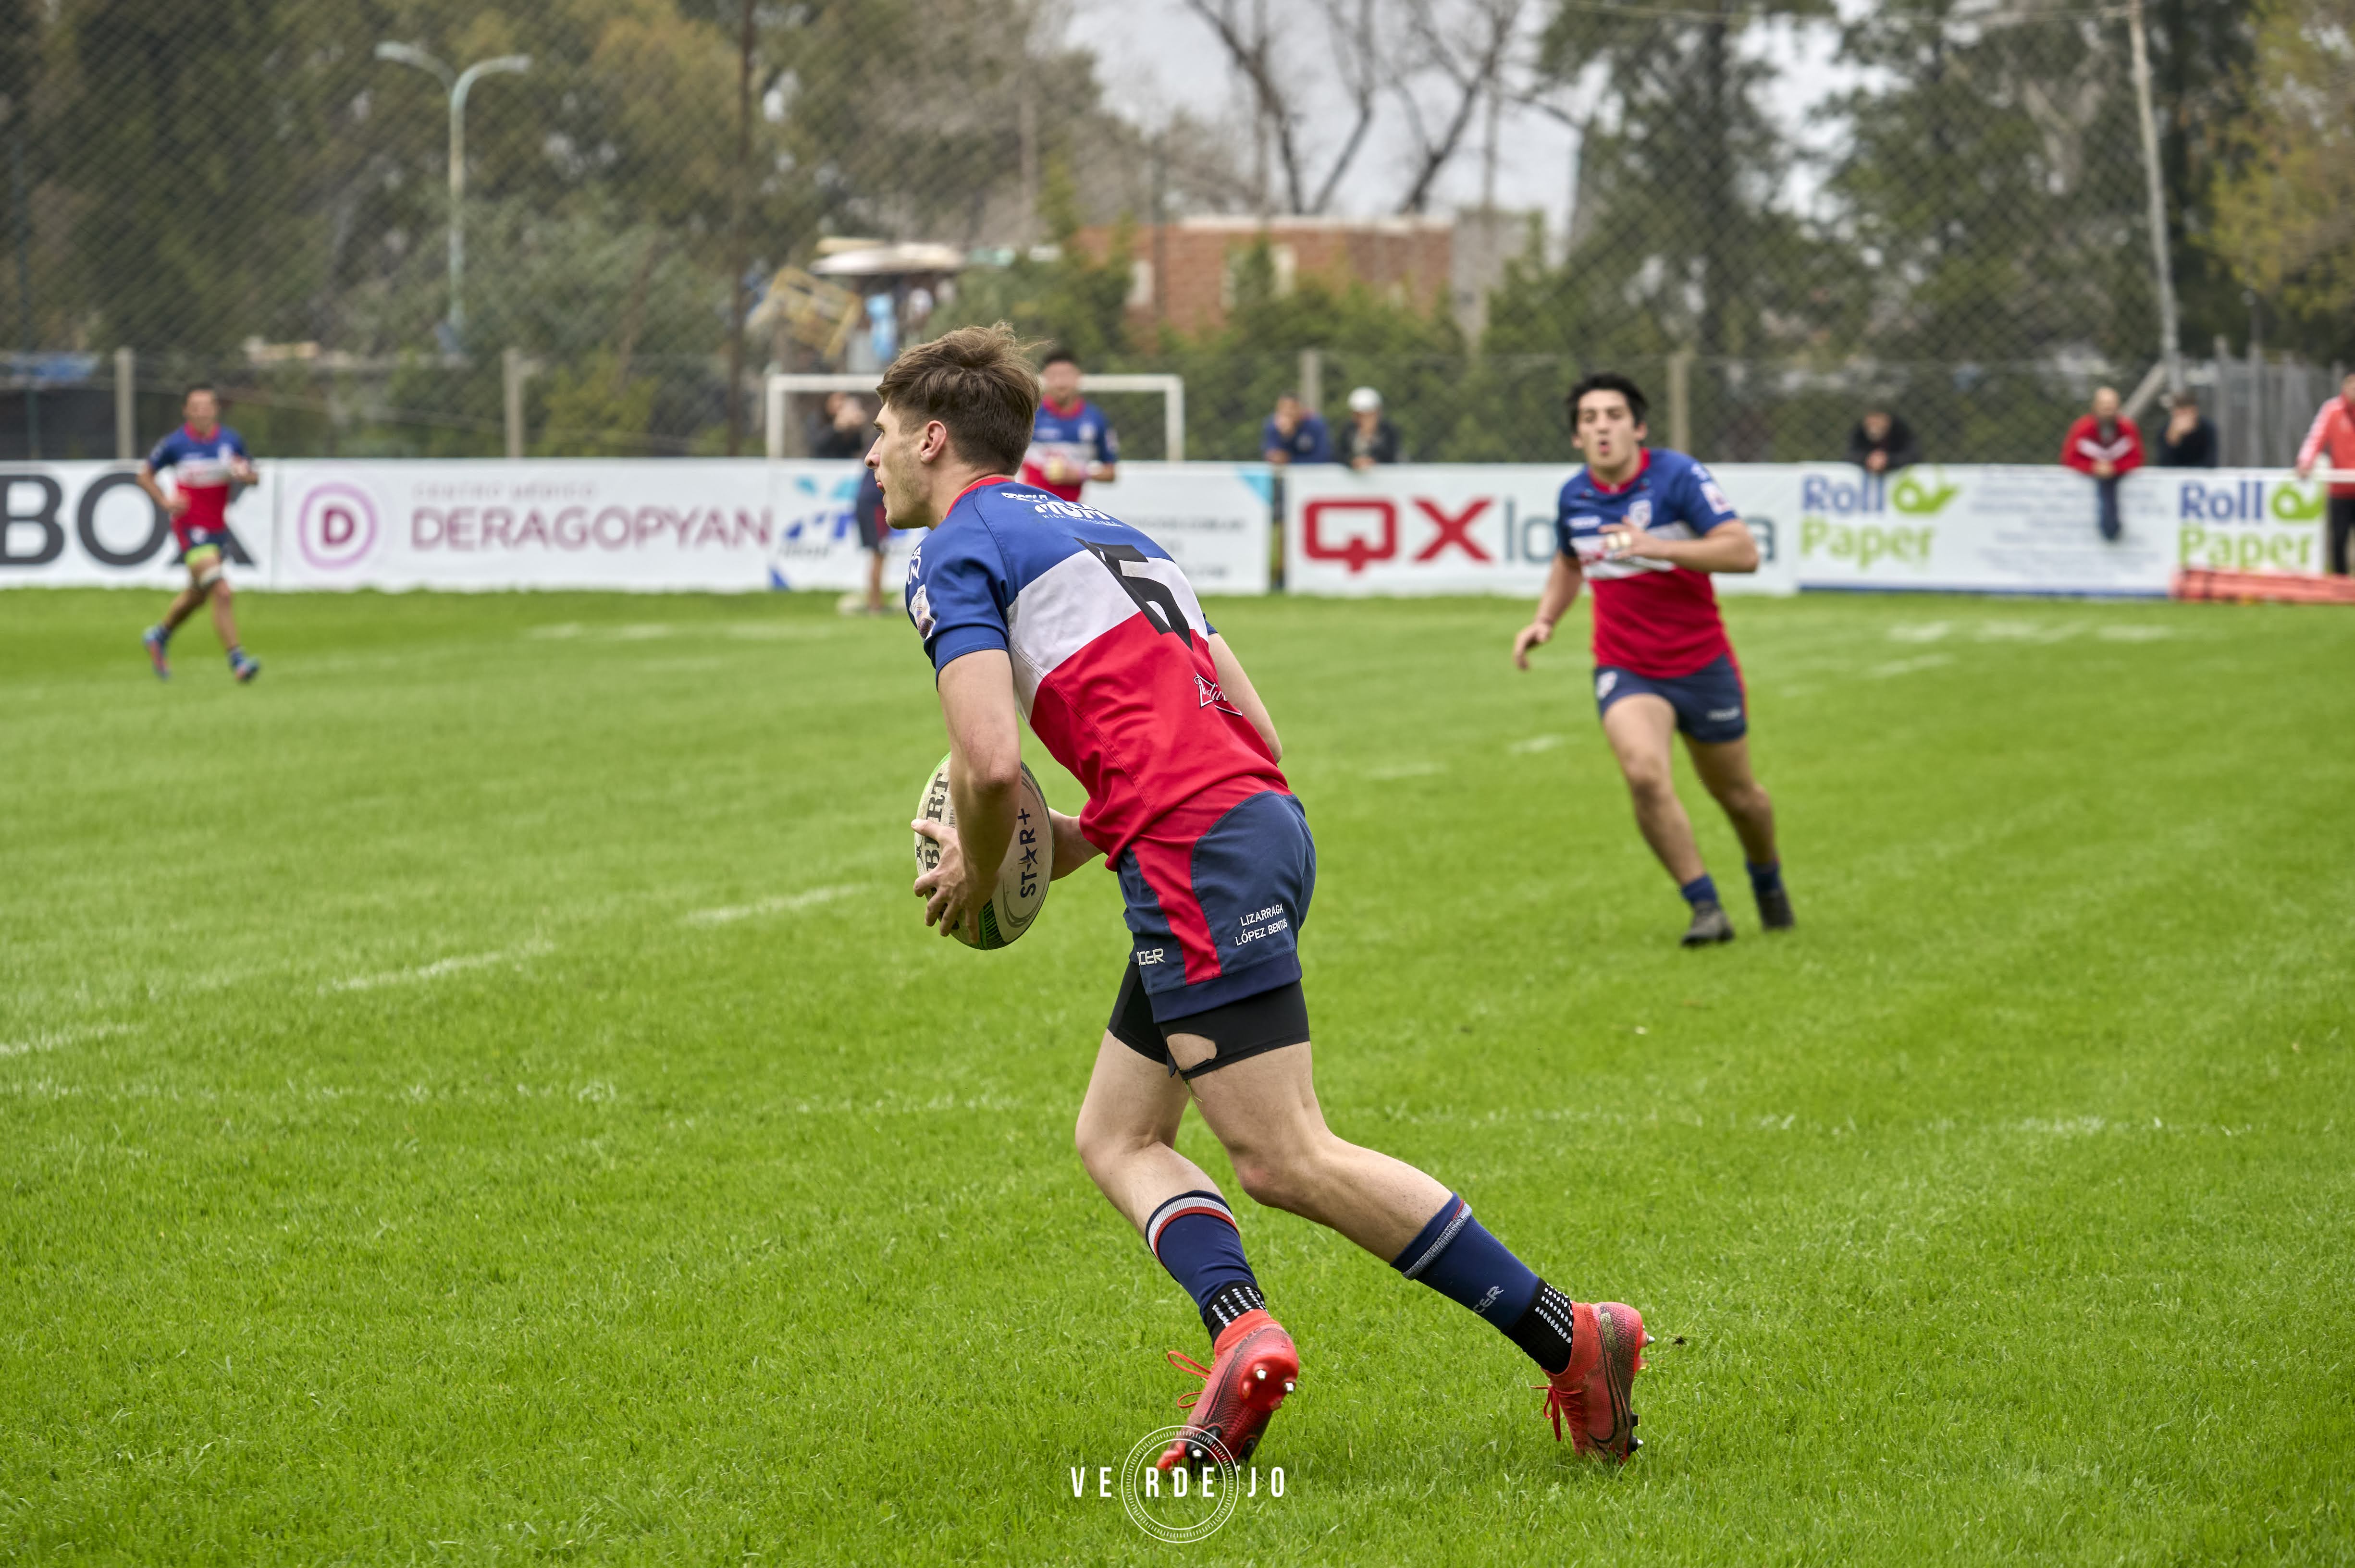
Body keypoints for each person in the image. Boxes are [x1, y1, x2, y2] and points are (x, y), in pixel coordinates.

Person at [884, 324, 1648, 1474]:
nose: (874, 457)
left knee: (1285, 1153)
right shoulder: (1110, 530)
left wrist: (986, 865)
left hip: (1199, 852)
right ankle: (1241, 1331)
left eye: (885, 434)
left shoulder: (954, 551)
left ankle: (1573, 1333)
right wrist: (1076, 841)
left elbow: (990, 766)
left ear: (934, 437)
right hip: (1252, 828)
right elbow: (1257, 730)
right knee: (1121, 1132)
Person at [1511, 372, 1790, 948]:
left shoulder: (1677, 477)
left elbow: (1743, 553)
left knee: (1738, 796)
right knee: (1643, 773)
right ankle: (1704, 905)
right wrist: (1544, 619)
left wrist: (1658, 546)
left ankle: (1766, 877)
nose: (1601, 427)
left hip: (1701, 663)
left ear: (1638, 428)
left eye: (1613, 415)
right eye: (1588, 419)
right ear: (1575, 438)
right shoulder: (1575, 495)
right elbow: (1569, 562)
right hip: (1625, 666)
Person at [138, 385, 259, 684]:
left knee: (197, 596)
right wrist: (166, 501)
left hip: (218, 529)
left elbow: (254, 475)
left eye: (207, 406)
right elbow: (144, 475)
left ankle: (159, 635)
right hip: (190, 528)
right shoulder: (176, 444)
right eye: (196, 407)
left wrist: (245, 476)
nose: (202, 412)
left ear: (216, 409)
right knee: (221, 591)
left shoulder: (231, 441)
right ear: (187, 411)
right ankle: (238, 660)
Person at [1020, 347, 1117, 503]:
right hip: (1032, 507)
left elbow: (1111, 473)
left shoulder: (1095, 419)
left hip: (1072, 510)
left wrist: (1080, 474)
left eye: (1066, 375)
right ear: (1045, 378)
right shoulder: (1030, 415)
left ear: (1078, 376)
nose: (1060, 382)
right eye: (1054, 376)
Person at [2060, 386, 2143, 542]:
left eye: (2111, 406)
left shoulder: (2127, 428)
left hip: (2118, 480)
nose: (2108, 410)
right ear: (2095, 407)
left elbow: (2137, 458)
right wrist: (2093, 468)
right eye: (2104, 406)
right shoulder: (2082, 428)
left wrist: (2115, 468)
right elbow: (2069, 458)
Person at [2294, 369, 2355, 575]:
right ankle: (2340, 585)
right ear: (2344, 386)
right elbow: (2315, 438)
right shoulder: (2332, 410)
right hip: (2340, 489)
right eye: (2351, 384)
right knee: (2338, 539)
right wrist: (2305, 462)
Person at [1260, 394, 1333, 466]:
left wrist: (1290, 460)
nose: (1288, 412)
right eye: (1283, 408)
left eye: (1292, 408)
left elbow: (1323, 457)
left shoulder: (1316, 425)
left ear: (1301, 409)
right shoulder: (1273, 425)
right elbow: (1271, 456)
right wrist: (1286, 436)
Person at [1844, 406, 1920, 474]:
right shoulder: (1859, 431)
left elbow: (1914, 455)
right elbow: (1849, 455)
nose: (1874, 426)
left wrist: (1888, 460)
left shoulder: (1901, 430)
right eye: (1871, 420)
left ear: (1888, 420)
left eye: (1878, 420)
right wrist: (1867, 459)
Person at [1342, 386, 1401, 469]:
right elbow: (1341, 454)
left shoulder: (1389, 431)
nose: (1364, 419)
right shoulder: (1348, 430)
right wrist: (1353, 461)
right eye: (1360, 415)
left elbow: (1391, 455)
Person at [2156, 391, 2218, 469]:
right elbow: (2164, 464)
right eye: (2180, 414)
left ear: (2195, 412)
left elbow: (2211, 462)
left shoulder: (2207, 428)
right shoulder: (2165, 430)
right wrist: (2172, 442)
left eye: (2186, 413)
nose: (2183, 419)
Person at [811, 390, 870, 460]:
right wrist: (836, 427)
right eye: (836, 400)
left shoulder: (851, 419)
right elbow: (818, 445)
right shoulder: (817, 419)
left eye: (843, 400)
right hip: (821, 462)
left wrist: (854, 430)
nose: (839, 404)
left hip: (845, 463)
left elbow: (858, 448)